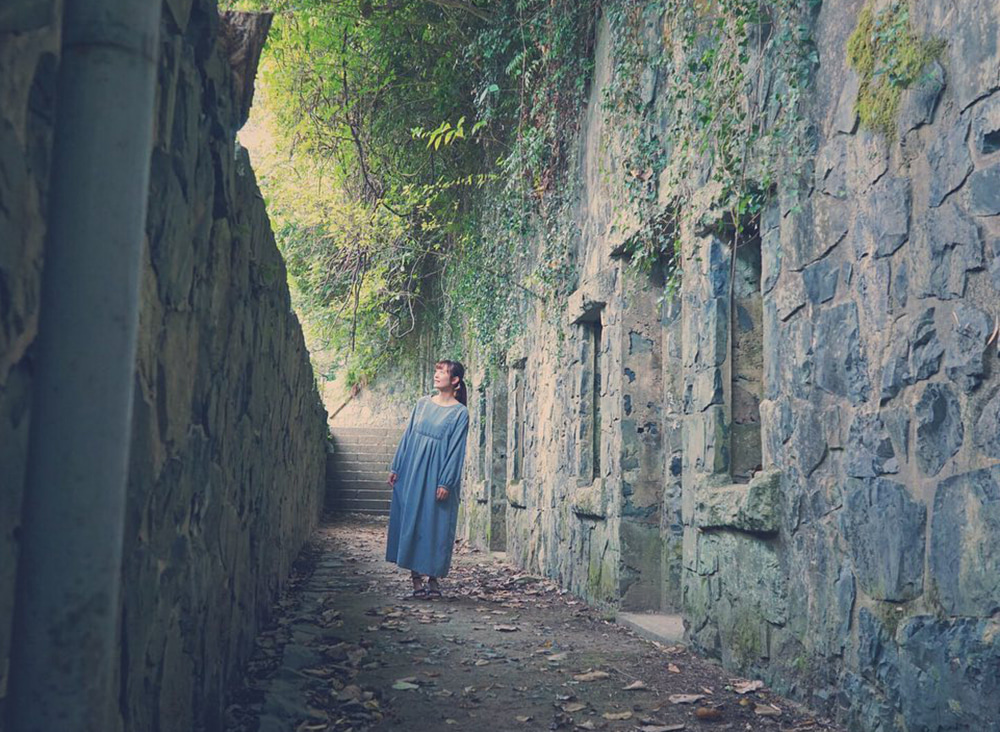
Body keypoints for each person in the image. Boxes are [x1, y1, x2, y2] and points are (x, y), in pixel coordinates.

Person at [385, 359, 470, 597]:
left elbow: (456, 450)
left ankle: (433, 577)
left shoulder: (460, 413)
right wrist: (396, 466)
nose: (437, 375)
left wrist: (446, 482)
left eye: (442, 372)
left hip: (438, 475)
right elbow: (408, 435)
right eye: (436, 371)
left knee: (436, 524)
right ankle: (416, 580)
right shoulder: (422, 404)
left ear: (455, 380)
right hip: (413, 470)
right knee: (412, 520)